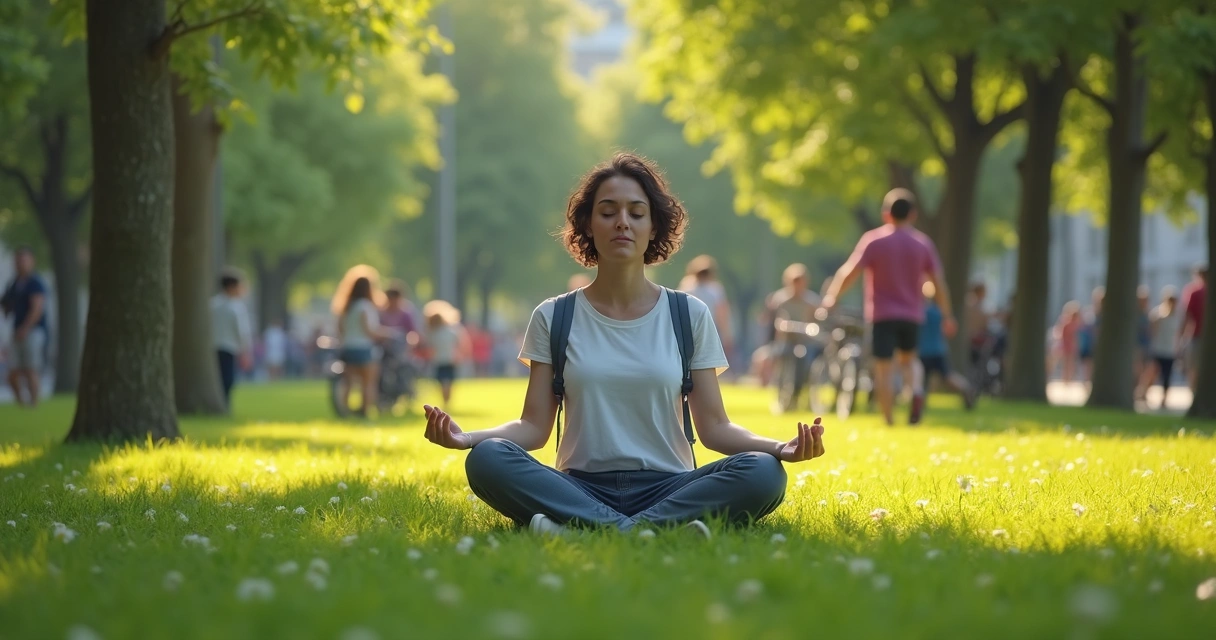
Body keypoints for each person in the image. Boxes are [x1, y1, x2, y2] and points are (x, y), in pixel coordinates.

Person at [421, 153, 825, 537]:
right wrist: (467, 438)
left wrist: (778, 448)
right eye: (608, 211)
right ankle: (651, 530)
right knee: (489, 460)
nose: (622, 223)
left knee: (764, 472)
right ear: (589, 225)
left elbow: (715, 427)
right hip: (579, 487)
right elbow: (533, 427)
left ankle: (587, 529)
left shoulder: (689, 314)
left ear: (654, 227)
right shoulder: (553, 316)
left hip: (672, 486)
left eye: (636, 212)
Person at [822, 188, 954, 426]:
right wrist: (947, 314)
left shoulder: (874, 240)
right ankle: (915, 389)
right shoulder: (922, 244)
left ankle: (889, 420)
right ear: (913, 214)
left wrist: (832, 297)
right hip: (913, 315)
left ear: (886, 214)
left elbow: (849, 272)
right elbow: (939, 283)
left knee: (883, 367)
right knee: (910, 360)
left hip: (882, 314)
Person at [763, 263, 823, 412]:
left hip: (806, 340)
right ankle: (780, 390)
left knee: (810, 362)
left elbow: (817, 321)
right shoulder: (780, 299)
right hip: (786, 339)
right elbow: (776, 320)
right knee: (781, 355)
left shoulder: (812, 301)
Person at [332, 265, 390, 417]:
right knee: (368, 383)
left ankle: (344, 411)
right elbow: (370, 331)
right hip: (363, 348)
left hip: (348, 348)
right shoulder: (365, 307)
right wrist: (387, 334)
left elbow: (340, 329)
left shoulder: (346, 307)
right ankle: (365, 411)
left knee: (348, 383)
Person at [1, 247, 48, 408]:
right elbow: (7, 305)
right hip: (16, 331)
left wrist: (25, 328)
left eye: (23, 260)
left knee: (30, 368)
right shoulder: (14, 284)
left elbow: (37, 308)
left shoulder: (35, 283)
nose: (20, 264)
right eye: (18, 260)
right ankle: (22, 405)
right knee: (13, 372)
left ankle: (34, 405)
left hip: (32, 331)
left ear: (31, 261)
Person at [679, 255, 736, 372]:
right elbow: (722, 313)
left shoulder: (686, 287)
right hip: (709, 329)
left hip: (687, 329)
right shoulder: (715, 289)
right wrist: (727, 335)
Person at [211, 270, 253, 408]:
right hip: (229, 347)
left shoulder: (212, 305)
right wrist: (246, 351)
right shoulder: (236, 307)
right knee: (228, 379)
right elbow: (242, 332)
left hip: (213, 347)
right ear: (231, 287)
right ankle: (225, 404)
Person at [1138, 287, 1182, 409]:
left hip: (1170, 350)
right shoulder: (1157, 315)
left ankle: (1164, 399)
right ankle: (1143, 393)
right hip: (1158, 349)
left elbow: (1178, 334)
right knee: (1152, 373)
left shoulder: (1177, 317)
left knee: (1166, 376)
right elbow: (1152, 332)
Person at [423, 300, 472, 405]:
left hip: (440, 360)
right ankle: (447, 400)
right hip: (449, 360)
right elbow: (461, 343)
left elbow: (428, 346)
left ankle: (445, 400)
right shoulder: (451, 331)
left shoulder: (433, 333)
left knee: (442, 382)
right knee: (448, 381)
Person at [1179, 264, 1207, 391]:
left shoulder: (1193, 292)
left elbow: (1187, 315)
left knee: (1193, 366)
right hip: (1202, 335)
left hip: (1196, 335)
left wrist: (1181, 335)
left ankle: (1194, 391)